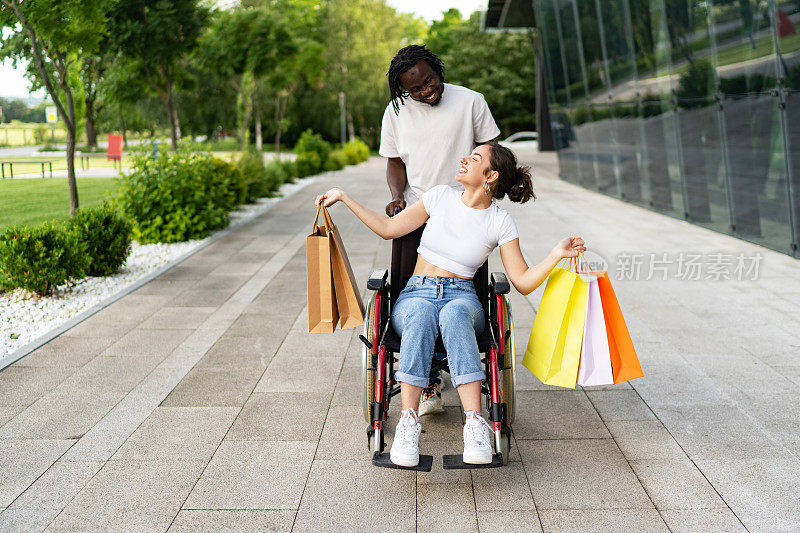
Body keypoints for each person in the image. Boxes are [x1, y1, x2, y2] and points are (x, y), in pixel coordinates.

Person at [315, 142, 586, 466]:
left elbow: (523, 282)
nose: (463, 159)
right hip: (416, 292)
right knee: (421, 315)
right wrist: (343, 197)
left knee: (455, 314)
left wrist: (556, 254)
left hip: (462, 296)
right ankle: (408, 424)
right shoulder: (440, 197)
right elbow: (388, 229)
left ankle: (474, 425)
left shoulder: (499, 222)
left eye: (474, 158)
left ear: (490, 175)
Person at [380, 44, 501, 416]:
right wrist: (397, 196)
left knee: (462, 295)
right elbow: (395, 162)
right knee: (412, 297)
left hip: (462, 211)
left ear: (437, 69)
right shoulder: (397, 111)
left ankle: (459, 359)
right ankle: (427, 380)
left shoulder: (470, 101)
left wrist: (486, 197)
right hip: (418, 210)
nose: (424, 91)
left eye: (429, 81)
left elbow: (491, 152)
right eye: (414, 89)